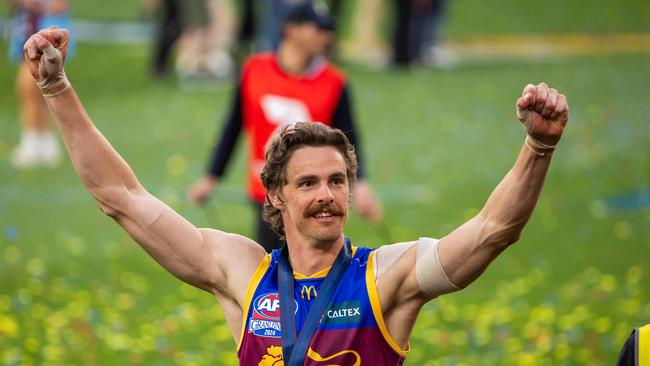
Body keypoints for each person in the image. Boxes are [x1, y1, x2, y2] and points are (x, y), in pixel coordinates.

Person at [24, 26, 569, 365]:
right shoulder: (243, 272)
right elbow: (120, 195)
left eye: (337, 181)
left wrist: (537, 148)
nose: (327, 195)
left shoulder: (386, 277)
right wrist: (56, 89)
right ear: (277, 198)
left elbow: (494, 230)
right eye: (307, 183)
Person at [188, 2, 382, 251]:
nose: (326, 37)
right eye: (318, 29)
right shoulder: (253, 70)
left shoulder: (335, 83)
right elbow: (233, 125)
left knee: (311, 265)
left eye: (328, 30)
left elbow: (349, 138)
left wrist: (360, 184)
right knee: (271, 269)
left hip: (310, 195)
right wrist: (212, 177)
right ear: (292, 30)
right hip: (265, 193)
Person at [8, 0, 72, 168]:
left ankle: (33, 145)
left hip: (46, 34)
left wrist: (35, 4)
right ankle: (45, 144)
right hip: (27, 29)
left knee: (30, 89)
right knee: (36, 93)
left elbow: (60, 6)